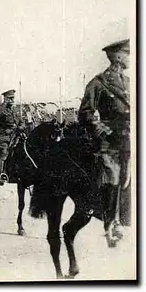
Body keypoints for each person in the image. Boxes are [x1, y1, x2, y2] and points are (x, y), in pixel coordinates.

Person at [78, 38, 131, 248]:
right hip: (109, 143)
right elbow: (86, 113)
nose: (129, 57)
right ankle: (111, 223)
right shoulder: (98, 83)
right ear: (117, 57)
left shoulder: (129, 82)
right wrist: (102, 130)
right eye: (127, 53)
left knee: (129, 179)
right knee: (113, 179)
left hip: (129, 138)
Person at [0, 89, 24, 185]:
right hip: (4, 135)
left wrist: (21, 127)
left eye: (13, 98)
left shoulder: (15, 110)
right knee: (4, 152)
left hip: (16, 135)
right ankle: (2, 173)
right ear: (5, 98)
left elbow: (21, 122)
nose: (12, 100)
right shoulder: (1, 108)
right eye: (10, 98)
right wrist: (4, 104)